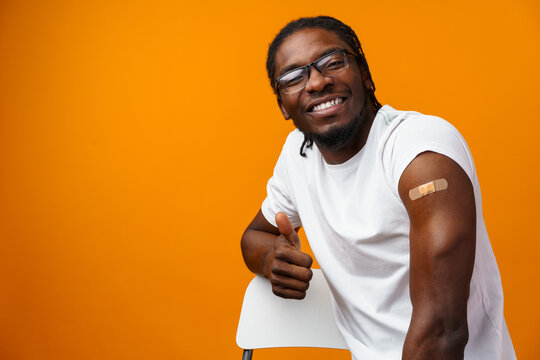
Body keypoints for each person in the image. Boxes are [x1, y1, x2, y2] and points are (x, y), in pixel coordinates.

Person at [240, 16, 516, 360]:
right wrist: (271, 258)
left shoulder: (420, 152)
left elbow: (442, 333)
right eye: (293, 78)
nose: (316, 82)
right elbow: (254, 236)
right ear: (283, 104)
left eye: (332, 62)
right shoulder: (298, 156)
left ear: (365, 74)